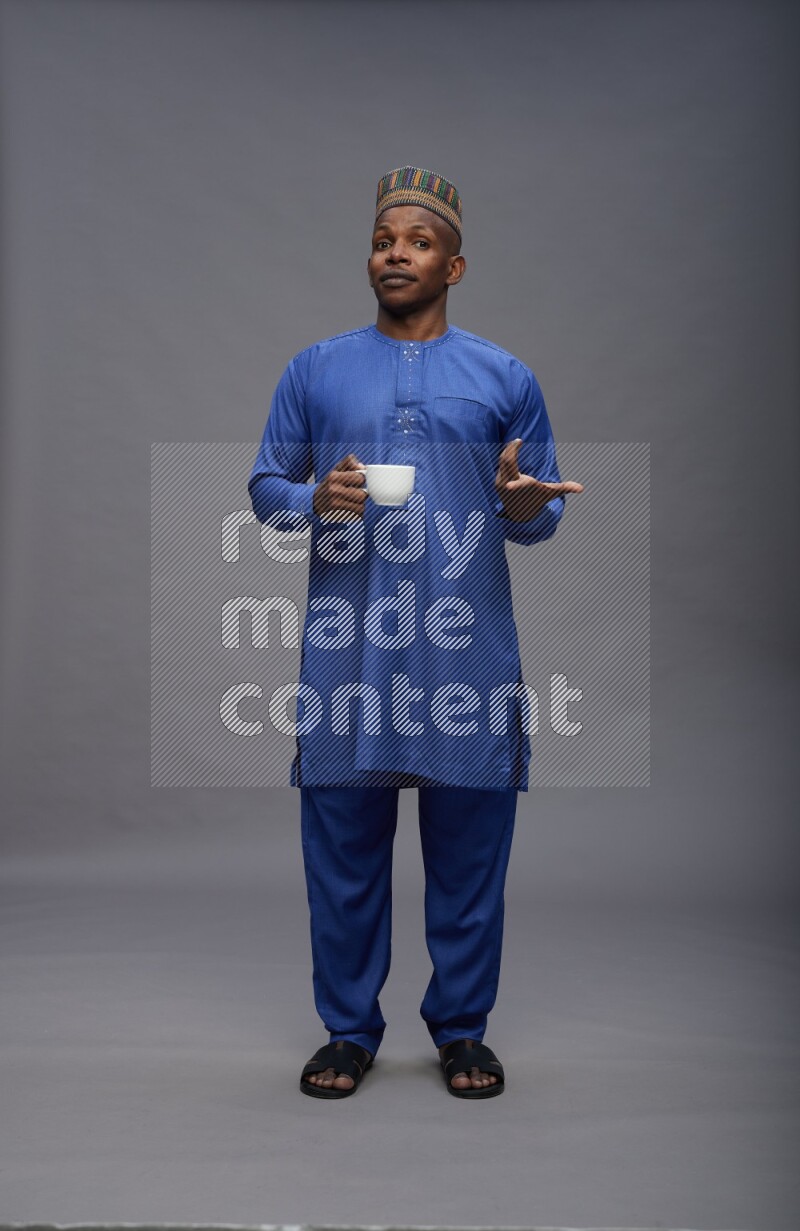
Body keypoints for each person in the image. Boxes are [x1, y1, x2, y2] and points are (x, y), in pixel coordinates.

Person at [248, 166, 583, 1099]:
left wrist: (520, 501)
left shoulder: (504, 376)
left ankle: (463, 1031)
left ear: (456, 265)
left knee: (470, 856)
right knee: (344, 855)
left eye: (419, 241)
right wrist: (314, 497)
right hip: (347, 654)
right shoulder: (314, 369)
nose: (396, 251)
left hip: (465, 653)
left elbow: (541, 512)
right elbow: (266, 490)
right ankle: (348, 1031)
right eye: (384, 238)